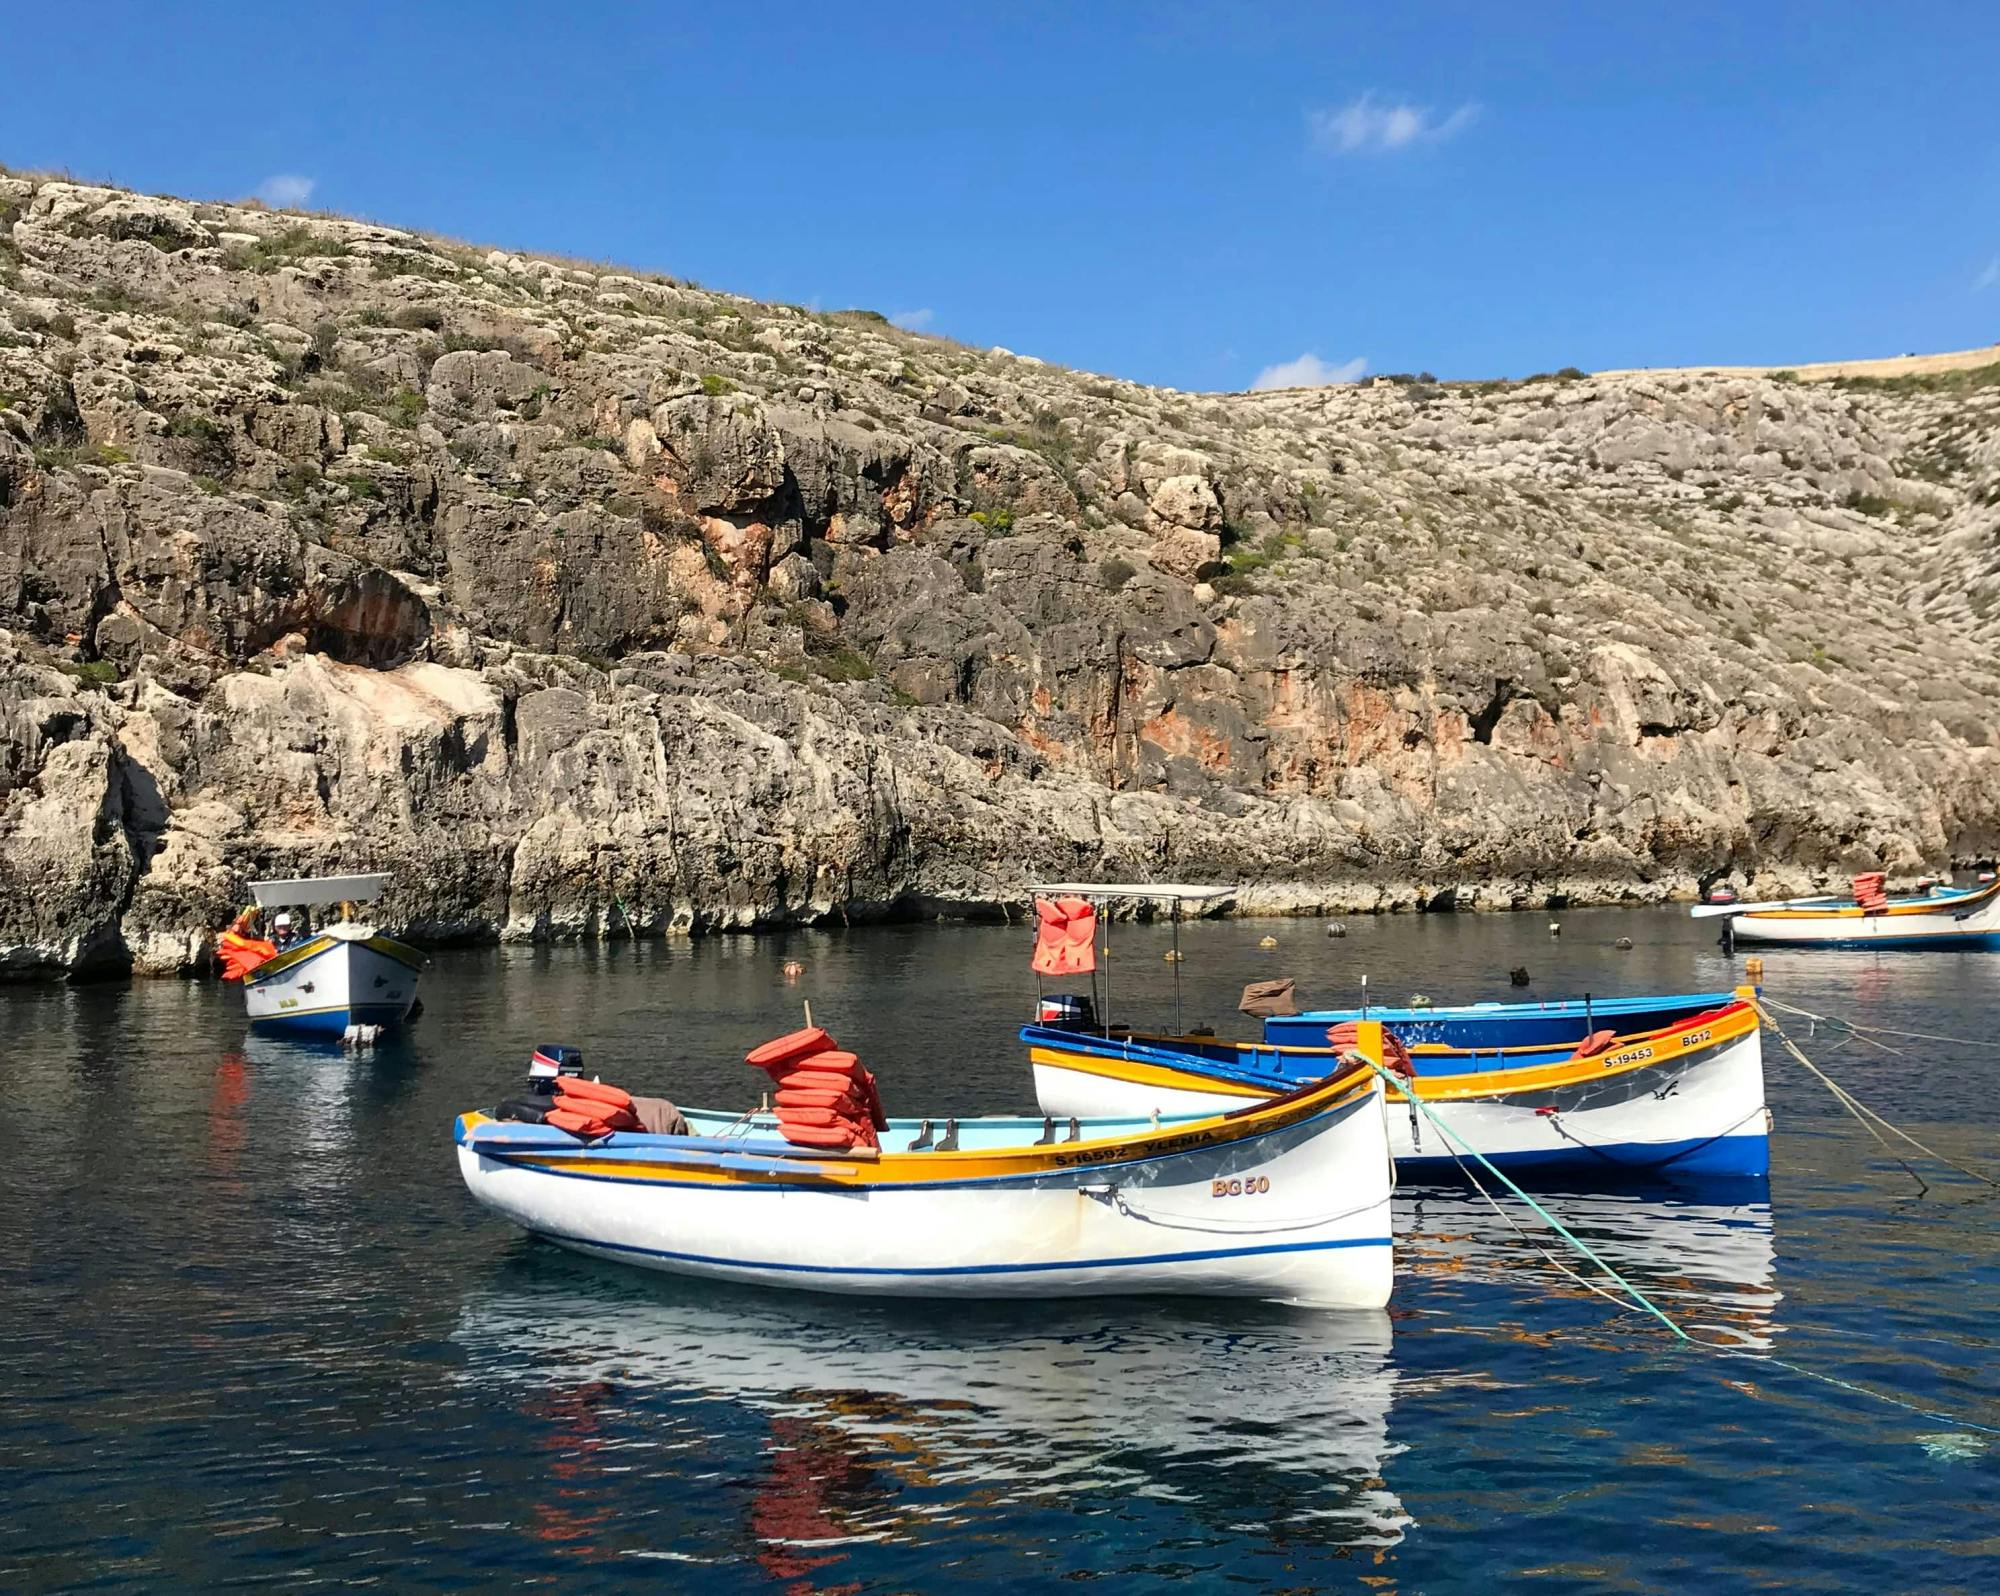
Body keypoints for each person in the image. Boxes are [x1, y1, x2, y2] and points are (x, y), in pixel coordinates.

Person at [217, 910, 277, 982]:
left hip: (258, 964)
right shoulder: (228, 938)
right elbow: (243, 944)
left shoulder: (242, 935)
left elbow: (248, 945)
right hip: (256, 964)